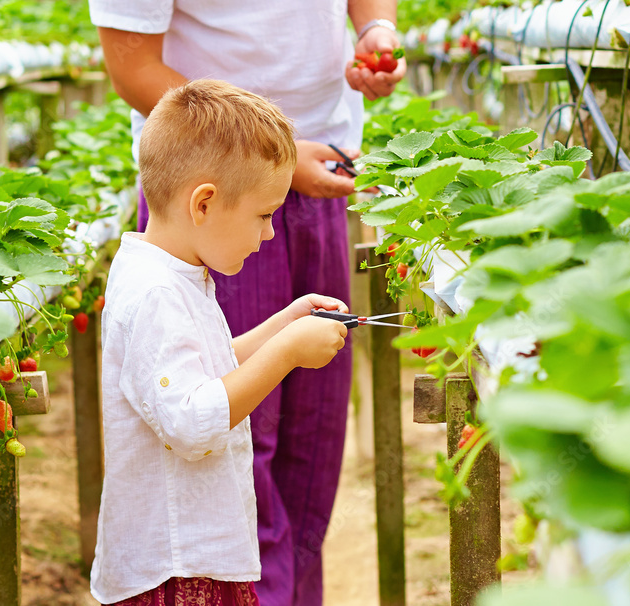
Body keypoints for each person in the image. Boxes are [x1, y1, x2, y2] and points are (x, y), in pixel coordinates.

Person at [91, 3, 405, 604]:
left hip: (271, 172)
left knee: (310, 441)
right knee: (258, 441)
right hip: (179, 576)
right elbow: (194, 419)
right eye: (267, 219)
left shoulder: (173, 271)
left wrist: (374, 30)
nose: (270, 234)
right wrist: (285, 349)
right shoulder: (163, 287)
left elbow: (201, 362)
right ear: (202, 204)